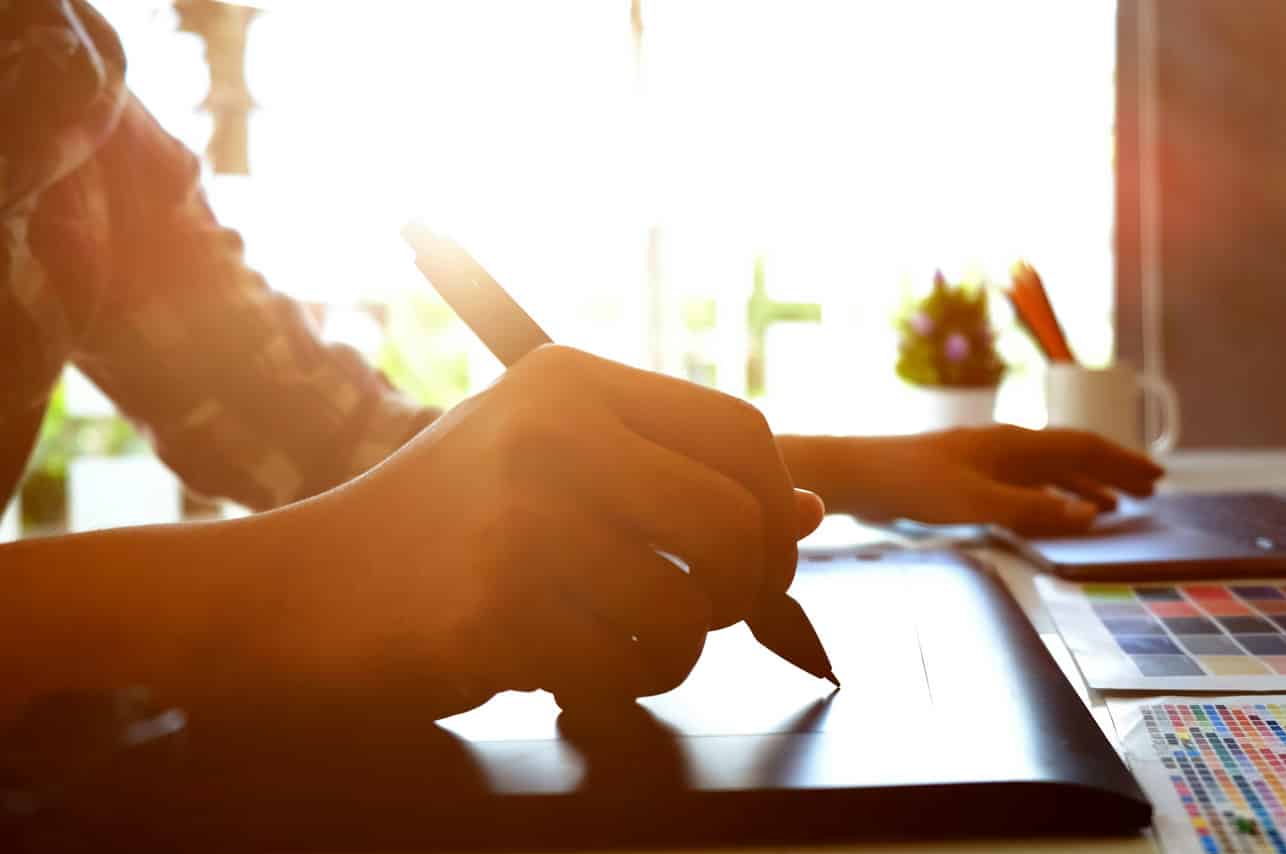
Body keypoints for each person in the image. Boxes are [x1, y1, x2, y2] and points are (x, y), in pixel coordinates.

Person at [0, 1, 1162, 718]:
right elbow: (364, 532)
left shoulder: (83, 118)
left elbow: (360, 459)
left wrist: (858, 471)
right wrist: (292, 589)